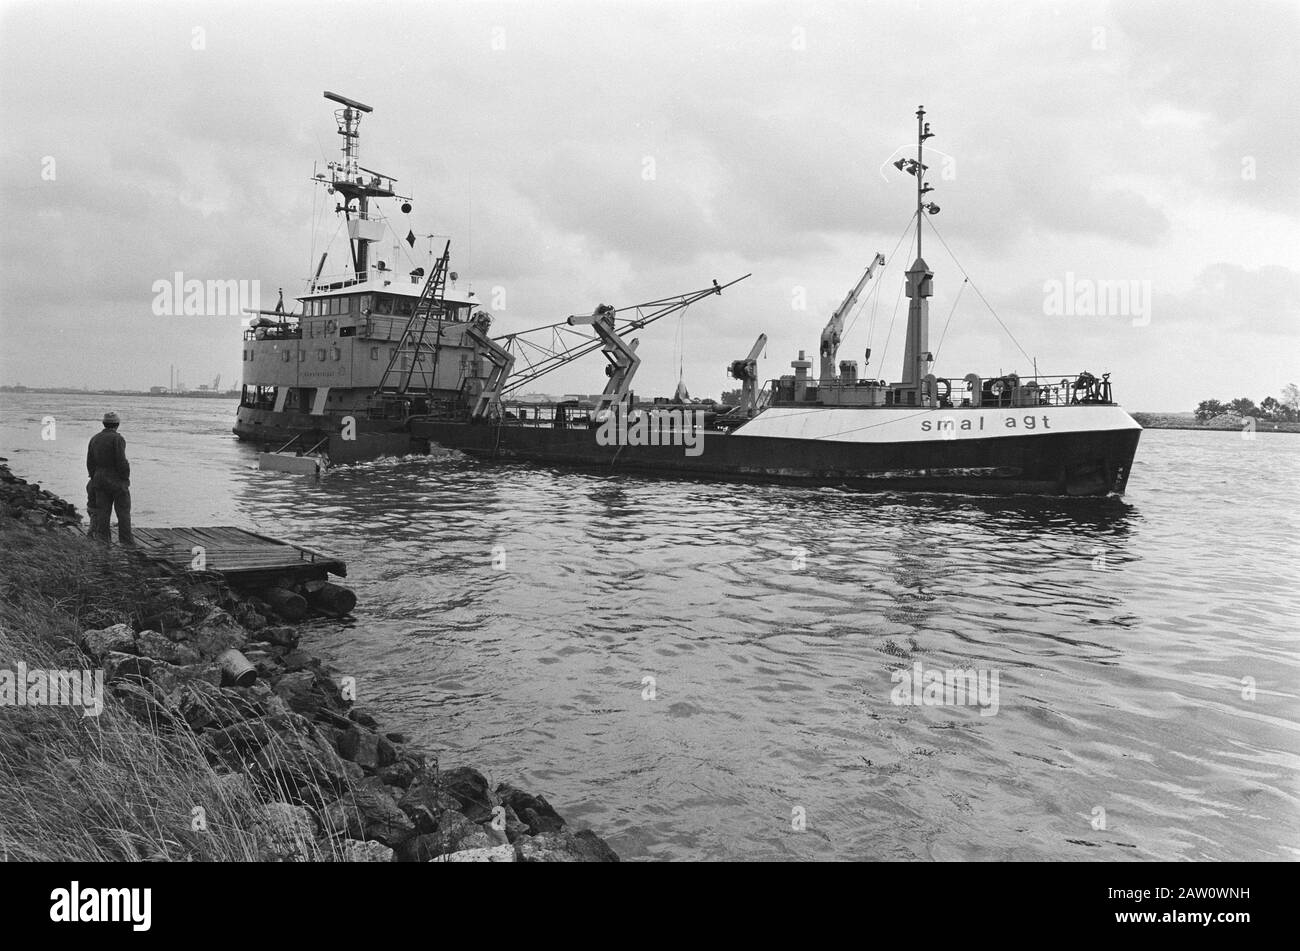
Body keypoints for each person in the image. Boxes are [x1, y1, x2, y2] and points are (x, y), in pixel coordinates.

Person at [86, 411, 133, 545]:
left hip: (99, 478)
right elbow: (121, 461)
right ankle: (127, 543)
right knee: (123, 513)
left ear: (104, 424)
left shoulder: (94, 438)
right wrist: (125, 478)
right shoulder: (117, 439)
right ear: (117, 424)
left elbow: (89, 462)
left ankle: (103, 543)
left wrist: (94, 476)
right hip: (116, 480)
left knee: (103, 513)